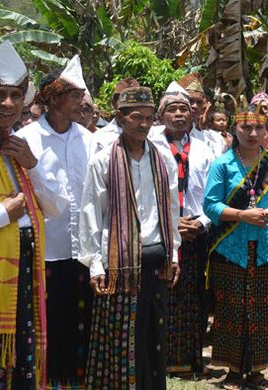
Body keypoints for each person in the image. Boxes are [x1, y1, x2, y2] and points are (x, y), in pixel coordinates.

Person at [79, 86, 181, 390]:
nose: (145, 124)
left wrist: (174, 253)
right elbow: (90, 213)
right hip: (121, 264)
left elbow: (173, 210)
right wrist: (95, 264)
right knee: (123, 339)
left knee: (154, 335)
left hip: (157, 260)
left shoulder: (163, 159)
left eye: (150, 118)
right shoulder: (103, 160)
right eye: (138, 117)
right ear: (121, 118)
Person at [0, 41, 67, 390]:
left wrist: (33, 165)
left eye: (16, 95)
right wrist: (4, 213)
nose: (7, 104)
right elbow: (12, 212)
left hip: (25, 272)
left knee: (20, 362)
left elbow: (57, 207)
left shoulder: (23, 146)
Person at [16, 55, 95, 389]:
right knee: (47, 322)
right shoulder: (28, 138)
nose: (82, 100)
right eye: (75, 94)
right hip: (45, 249)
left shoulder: (90, 139)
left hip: (83, 251)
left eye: (82, 94)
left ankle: (75, 381)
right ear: (53, 97)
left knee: (79, 322)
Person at [202, 106, 268, 390]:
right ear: (234, 131)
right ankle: (232, 371)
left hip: (267, 248)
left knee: (262, 311)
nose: (253, 134)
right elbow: (211, 205)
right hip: (231, 248)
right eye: (245, 128)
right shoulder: (223, 164)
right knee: (231, 309)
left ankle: (257, 371)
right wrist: (242, 215)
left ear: (267, 132)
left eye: (259, 128)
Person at [147, 82, 215, 376]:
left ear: (193, 115)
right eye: (171, 109)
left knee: (191, 298)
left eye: (184, 109)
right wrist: (169, 222)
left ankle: (188, 359)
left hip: (195, 232)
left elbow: (213, 195)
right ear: (160, 115)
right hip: (159, 232)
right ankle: (156, 359)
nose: (178, 114)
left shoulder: (205, 149)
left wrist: (200, 222)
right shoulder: (149, 147)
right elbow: (143, 193)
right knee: (160, 295)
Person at [178, 73, 226, 157]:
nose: (195, 106)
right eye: (190, 100)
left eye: (199, 102)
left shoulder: (207, 140)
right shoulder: (156, 135)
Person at [88, 77, 139, 155]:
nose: (132, 108)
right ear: (114, 104)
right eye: (125, 103)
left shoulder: (150, 135)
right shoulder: (100, 138)